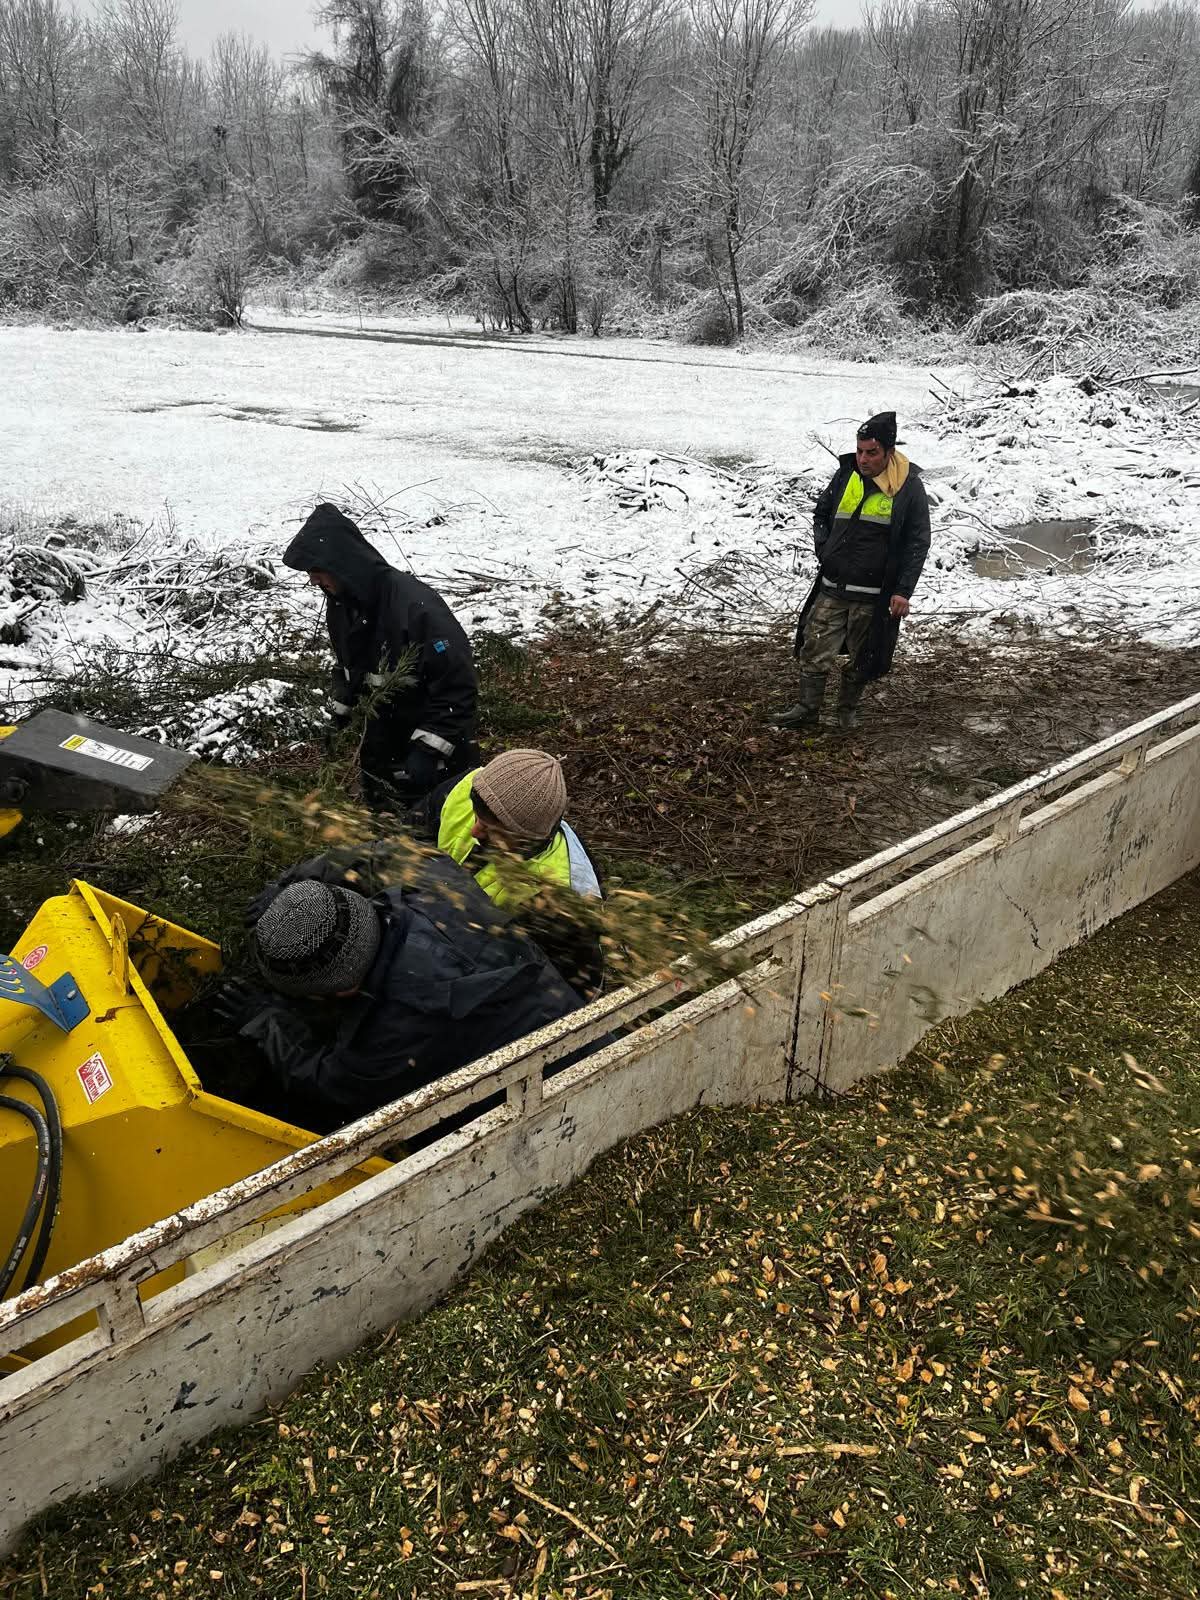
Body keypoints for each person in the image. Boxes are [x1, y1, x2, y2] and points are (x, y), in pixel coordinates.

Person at [211, 852, 582, 1131]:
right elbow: (380, 851)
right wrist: (296, 886)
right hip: (573, 1020)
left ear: (341, 990)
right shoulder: (430, 883)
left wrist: (266, 1022)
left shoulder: (393, 1032)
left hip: (562, 1099)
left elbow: (332, 1086)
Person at [284, 503, 479, 807]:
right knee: (383, 821)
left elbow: (457, 686)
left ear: (341, 564)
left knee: (436, 824)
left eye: (317, 572)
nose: (313, 581)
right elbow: (350, 669)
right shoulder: (342, 605)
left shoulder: (416, 609)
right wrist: (338, 716)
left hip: (435, 759)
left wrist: (429, 750)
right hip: (381, 747)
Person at [775, 411, 930, 733]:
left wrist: (903, 591)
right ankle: (806, 710)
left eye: (871, 452)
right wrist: (825, 550)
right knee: (814, 648)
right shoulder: (846, 475)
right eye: (859, 451)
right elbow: (821, 514)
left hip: (873, 596)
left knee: (864, 657)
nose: (863, 459)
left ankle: (847, 711)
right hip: (833, 586)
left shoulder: (909, 488)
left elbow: (918, 542)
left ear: (889, 452)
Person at [408, 748, 605, 998]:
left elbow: (564, 992)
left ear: (525, 838)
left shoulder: (563, 895)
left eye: (491, 830)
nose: (474, 831)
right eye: (477, 817)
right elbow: (409, 839)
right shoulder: (470, 788)